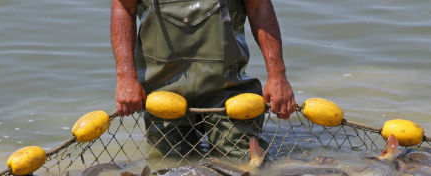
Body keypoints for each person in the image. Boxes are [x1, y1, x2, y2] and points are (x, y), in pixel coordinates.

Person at [111, 0, 295, 159]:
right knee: (169, 170)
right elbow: (123, 6)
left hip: (227, 87)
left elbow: (259, 6)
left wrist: (277, 75)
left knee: (244, 165)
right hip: (163, 90)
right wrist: (126, 77)